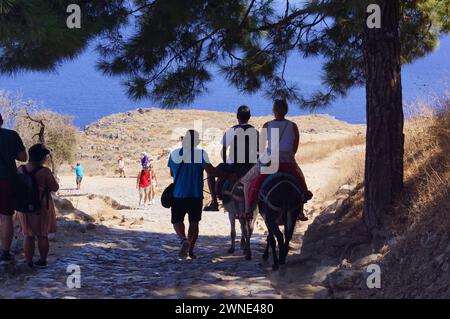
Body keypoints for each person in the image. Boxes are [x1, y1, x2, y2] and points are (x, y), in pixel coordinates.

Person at [240, 100, 312, 220]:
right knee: (300, 179)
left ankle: (248, 211)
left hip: (269, 159)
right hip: (287, 160)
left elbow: (261, 148)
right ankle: (300, 211)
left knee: (247, 181)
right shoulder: (293, 126)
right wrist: (287, 156)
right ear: (286, 110)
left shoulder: (267, 125)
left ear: (273, 111)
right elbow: (295, 147)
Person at [168, 130, 227, 259]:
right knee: (194, 223)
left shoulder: (173, 154)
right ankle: (190, 250)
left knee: (177, 220)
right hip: (195, 195)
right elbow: (211, 171)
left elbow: (172, 173)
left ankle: (183, 240)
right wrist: (227, 175)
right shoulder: (200, 154)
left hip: (178, 194)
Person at [203, 105, 259, 211]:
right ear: (249, 117)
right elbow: (259, 151)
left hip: (234, 166)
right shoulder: (255, 132)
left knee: (210, 173)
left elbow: (223, 150)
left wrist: (226, 163)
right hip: (250, 167)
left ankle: (214, 203)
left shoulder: (232, 131)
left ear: (237, 116)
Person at [17, 144, 59, 268]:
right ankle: (42, 260)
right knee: (42, 234)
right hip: (41, 206)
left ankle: (29, 261)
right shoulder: (44, 171)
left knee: (28, 234)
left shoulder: (20, 169)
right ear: (41, 157)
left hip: (23, 206)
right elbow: (54, 188)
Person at [0, 113, 28, 262]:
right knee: (6, 217)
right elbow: (23, 158)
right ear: (2, 121)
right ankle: (5, 252)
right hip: (6, 180)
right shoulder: (11, 135)